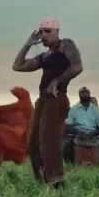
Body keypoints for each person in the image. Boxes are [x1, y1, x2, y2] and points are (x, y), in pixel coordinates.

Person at [13, 18, 83, 187]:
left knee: (48, 139)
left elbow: (77, 67)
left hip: (57, 97)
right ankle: (41, 180)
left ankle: (56, 181)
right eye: (41, 32)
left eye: (48, 31)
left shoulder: (66, 45)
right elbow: (18, 66)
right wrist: (28, 45)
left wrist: (58, 81)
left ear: (57, 31)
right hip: (43, 99)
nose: (44, 35)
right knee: (34, 140)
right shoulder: (44, 56)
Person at [63, 86, 99, 164]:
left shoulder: (96, 110)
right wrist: (79, 132)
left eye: (86, 93)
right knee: (67, 146)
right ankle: (69, 164)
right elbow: (68, 127)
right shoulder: (73, 109)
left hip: (93, 134)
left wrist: (92, 133)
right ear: (79, 95)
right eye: (82, 93)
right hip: (78, 134)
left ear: (89, 94)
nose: (85, 94)